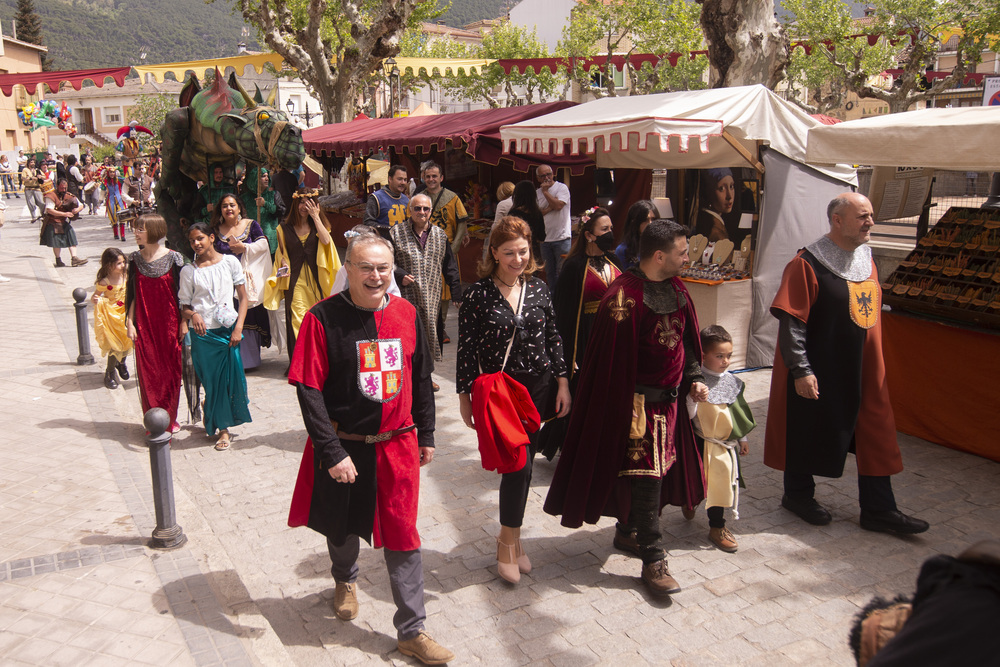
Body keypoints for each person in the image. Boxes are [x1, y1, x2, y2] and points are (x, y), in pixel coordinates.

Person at [285, 230, 454, 665]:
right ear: (348, 269)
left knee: (403, 534)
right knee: (342, 527)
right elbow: (309, 390)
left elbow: (420, 379)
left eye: (383, 267)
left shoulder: (407, 313)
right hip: (347, 446)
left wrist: (429, 434)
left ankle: (412, 630)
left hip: (397, 445)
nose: (376, 276)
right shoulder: (322, 319)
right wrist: (332, 452)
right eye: (366, 267)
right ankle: (345, 578)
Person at [544, 220, 708, 597]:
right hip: (636, 406)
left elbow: (686, 341)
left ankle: (627, 531)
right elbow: (611, 363)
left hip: (669, 404)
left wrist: (695, 375)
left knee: (657, 475)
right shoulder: (624, 297)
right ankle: (653, 557)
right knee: (648, 478)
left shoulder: (677, 287)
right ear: (660, 255)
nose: (688, 257)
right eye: (683, 252)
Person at [764, 193, 929, 535]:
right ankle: (797, 496)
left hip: (863, 366)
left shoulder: (867, 260)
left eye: (871, 216)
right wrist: (801, 369)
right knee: (806, 428)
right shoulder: (805, 264)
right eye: (863, 216)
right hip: (821, 365)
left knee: (875, 432)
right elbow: (792, 321)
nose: (870, 222)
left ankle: (879, 508)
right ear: (837, 220)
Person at [457, 216, 571, 584]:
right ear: (493, 252)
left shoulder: (538, 288)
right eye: (509, 253)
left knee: (527, 466)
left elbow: (554, 337)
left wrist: (563, 382)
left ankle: (515, 539)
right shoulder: (477, 294)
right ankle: (506, 544)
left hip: (537, 390)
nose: (518, 259)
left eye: (523, 251)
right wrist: (464, 396)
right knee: (517, 466)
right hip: (501, 393)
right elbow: (466, 350)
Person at [178, 222, 252, 451]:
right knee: (212, 382)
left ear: (211, 237)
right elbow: (184, 306)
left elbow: (243, 297)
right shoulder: (189, 271)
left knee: (231, 381)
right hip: (203, 335)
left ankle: (218, 416)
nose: (196, 244)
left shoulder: (230, 262)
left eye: (200, 238)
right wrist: (194, 314)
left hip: (229, 331)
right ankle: (223, 429)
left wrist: (239, 328)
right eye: (192, 241)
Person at [684, 325, 755, 553]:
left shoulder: (732, 382)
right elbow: (689, 416)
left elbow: (738, 413)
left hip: (723, 446)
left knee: (722, 484)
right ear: (703, 355)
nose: (726, 361)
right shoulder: (694, 380)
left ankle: (717, 527)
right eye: (719, 356)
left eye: (729, 356)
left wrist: (742, 439)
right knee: (696, 482)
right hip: (700, 442)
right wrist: (694, 397)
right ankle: (689, 501)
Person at [390, 193, 462, 388]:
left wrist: (456, 292)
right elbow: (387, 262)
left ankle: (425, 377)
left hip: (432, 296)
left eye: (425, 209)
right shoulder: (395, 233)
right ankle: (407, 377)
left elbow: (449, 265)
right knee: (408, 336)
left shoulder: (439, 235)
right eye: (417, 208)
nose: (421, 212)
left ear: (430, 211)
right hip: (406, 295)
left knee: (430, 335)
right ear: (409, 210)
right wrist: (400, 275)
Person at [264, 188, 339, 363]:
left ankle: (317, 360)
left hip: (317, 279)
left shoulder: (319, 225)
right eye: (302, 202)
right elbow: (281, 254)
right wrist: (283, 263)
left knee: (317, 318)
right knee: (298, 319)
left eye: (309, 202)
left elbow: (326, 241)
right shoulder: (283, 228)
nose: (305, 206)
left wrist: (316, 216)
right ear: (296, 204)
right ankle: (301, 362)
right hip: (296, 280)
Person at [126, 214, 185, 434]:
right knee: (148, 372)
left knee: (170, 372)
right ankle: (153, 422)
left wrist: (184, 322)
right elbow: (131, 294)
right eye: (136, 229)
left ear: (153, 230)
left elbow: (183, 295)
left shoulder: (174, 259)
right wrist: (130, 323)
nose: (136, 233)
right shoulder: (134, 259)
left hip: (170, 325)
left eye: (140, 229)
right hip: (144, 325)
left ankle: (169, 419)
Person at [211, 193, 272, 370]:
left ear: (239, 208)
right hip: (225, 284)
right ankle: (231, 357)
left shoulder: (251, 225)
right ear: (220, 210)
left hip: (248, 282)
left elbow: (263, 245)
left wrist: (244, 247)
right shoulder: (215, 230)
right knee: (230, 316)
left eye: (232, 205)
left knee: (250, 316)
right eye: (224, 206)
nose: (228, 209)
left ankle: (250, 360)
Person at [420, 161, 468, 342]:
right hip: (424, 250)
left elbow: (462, 221)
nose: (431, 179)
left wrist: (455, 245)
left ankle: (442, 327)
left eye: (434, 176)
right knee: (426, 288)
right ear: (424, 178)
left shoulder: (452, 197)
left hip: (446, 249)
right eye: (428, 176)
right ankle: (429, 326)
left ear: (441, 178)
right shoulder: (420, 197)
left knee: (446, 291)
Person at [91, 248, 133, 389]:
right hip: (112, 316)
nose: (123, 265)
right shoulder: (105, 281)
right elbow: (95, 296)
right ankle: (109, 372)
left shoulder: (127, 275)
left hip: (127, 314)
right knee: (115, 345)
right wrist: (97, 300)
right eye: (119, 263)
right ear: (109, 265)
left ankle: (121, 363)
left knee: (127, 342)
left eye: (123, 262)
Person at [535, 165, 571, 290]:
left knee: (564, 272)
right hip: (545, 239)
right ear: (538, 178)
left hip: (561, 238)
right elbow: (537, 213)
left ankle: (564, 300)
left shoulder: (561, 188)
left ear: (553, 174)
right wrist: (552, 206)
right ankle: (554, 302)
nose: (546, 178)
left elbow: (559, 205)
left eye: (548, 174)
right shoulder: (536, 193)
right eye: (543, 176)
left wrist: (546, 193)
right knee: (550, 273)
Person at [40, 179, 88, 268]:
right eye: (62, 188)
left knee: (72, 238)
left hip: (63, 222)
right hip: (53, 222)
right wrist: (64, 214)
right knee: (57, 242)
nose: (64, 189)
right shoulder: (50, 196)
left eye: (65, 188)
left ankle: (74, 258)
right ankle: (58, 259)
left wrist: (77, 209)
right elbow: (49, 210)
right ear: (57, 186)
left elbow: (81, 204)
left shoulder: (69, 195)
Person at [241, 166, 286, 259]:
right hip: (252, 239)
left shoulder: (274, 194)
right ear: (255, 179)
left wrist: (265, 204)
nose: (266, 178)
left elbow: (281, 212)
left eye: (267, 176)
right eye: (263, 176)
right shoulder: (244, 198)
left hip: (271, 241)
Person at [694, 168, 736, 242]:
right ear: (709, 192)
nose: (729, 196)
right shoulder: (715, 230)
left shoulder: (716, 223)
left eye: (731, 186)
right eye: (721, 188)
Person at [615, 200, 658, 270]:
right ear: (635, 222)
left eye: (653, 219)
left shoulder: (660, 246)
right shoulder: (623, 250)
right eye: (646, 220)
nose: (650, 223)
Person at [364, 164, 409, 229]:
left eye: (405, 180)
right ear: (390, 179)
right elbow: (368, 223)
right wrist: (387, 229)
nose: (403, 183)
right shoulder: (376, 198)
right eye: (400, 179)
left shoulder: (406, 200)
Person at [103, 165, 129, 241]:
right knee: (113, 216)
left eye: (113, 172)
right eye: (110, 172)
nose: (112, 174)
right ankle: (116, 234)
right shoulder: (105, 181)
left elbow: (125, 176)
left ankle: (123, 235)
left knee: (122, 216)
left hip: (119, 200)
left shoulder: (119, 180)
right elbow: (102, 189)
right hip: (110, 200)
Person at [21, 156, 44, 224]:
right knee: (31, 203)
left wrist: (40, 177)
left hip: (37, 188)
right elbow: (23, 178)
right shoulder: (25, 170)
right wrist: (31, 178)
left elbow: (44, 176)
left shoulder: (37, 170)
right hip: (29, 188)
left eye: (33, 162)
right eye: (31, 162)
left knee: (41, 202)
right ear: (28, 163)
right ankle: (33, 216)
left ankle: (43, 214)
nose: (32, 163)